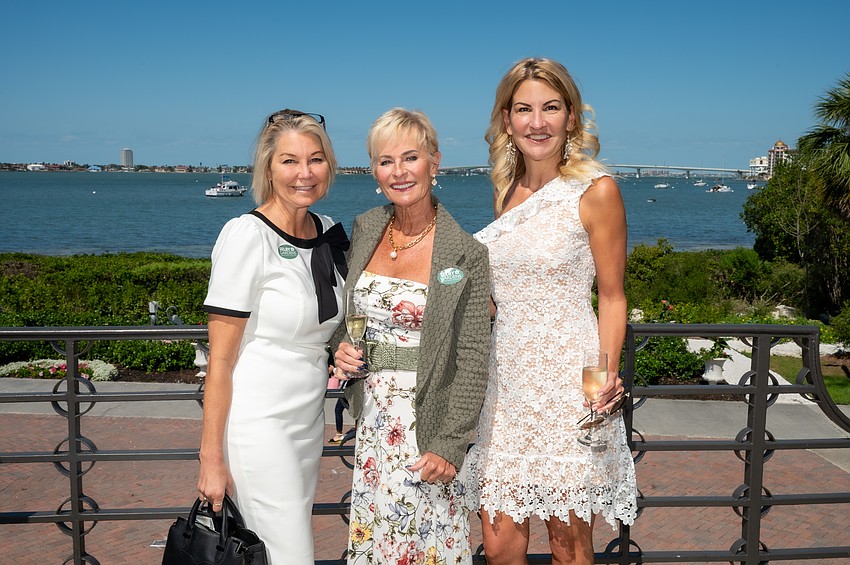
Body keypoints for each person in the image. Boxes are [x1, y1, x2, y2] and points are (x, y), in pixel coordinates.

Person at [462, 58, 638, 564]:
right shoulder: (505, 191)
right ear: (507, 120)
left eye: (550, 108)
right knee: (498, 547)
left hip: (570, 382)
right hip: (507, 382)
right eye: (524, 109)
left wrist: (603, 375)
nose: (537, 122)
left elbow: (612, 296)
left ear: (571, 118)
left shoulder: (596, 191)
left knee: (568, 547)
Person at [332, 108, 490, 564]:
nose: (398, 172)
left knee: (428, 548)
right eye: (385, 161)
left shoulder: (466, 253)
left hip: (429, 427)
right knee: (378, 543)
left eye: (410, 157)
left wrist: (450, 444)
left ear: (434, 163)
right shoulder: (366, 228)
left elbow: (474, 356)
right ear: (374, 171)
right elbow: (351, 317)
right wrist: (341, 348)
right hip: (375, 421)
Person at [197, 109, 349, 564]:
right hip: (258, 424)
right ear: (267, 168)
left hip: (306, 422)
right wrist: (210, 459)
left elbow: (330, 326)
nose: (304, 173)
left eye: (316, 159)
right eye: (289, 160)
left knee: (277, 549)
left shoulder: (328, 232)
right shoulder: (247, 235)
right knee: (290, 554)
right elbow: (220, 361)